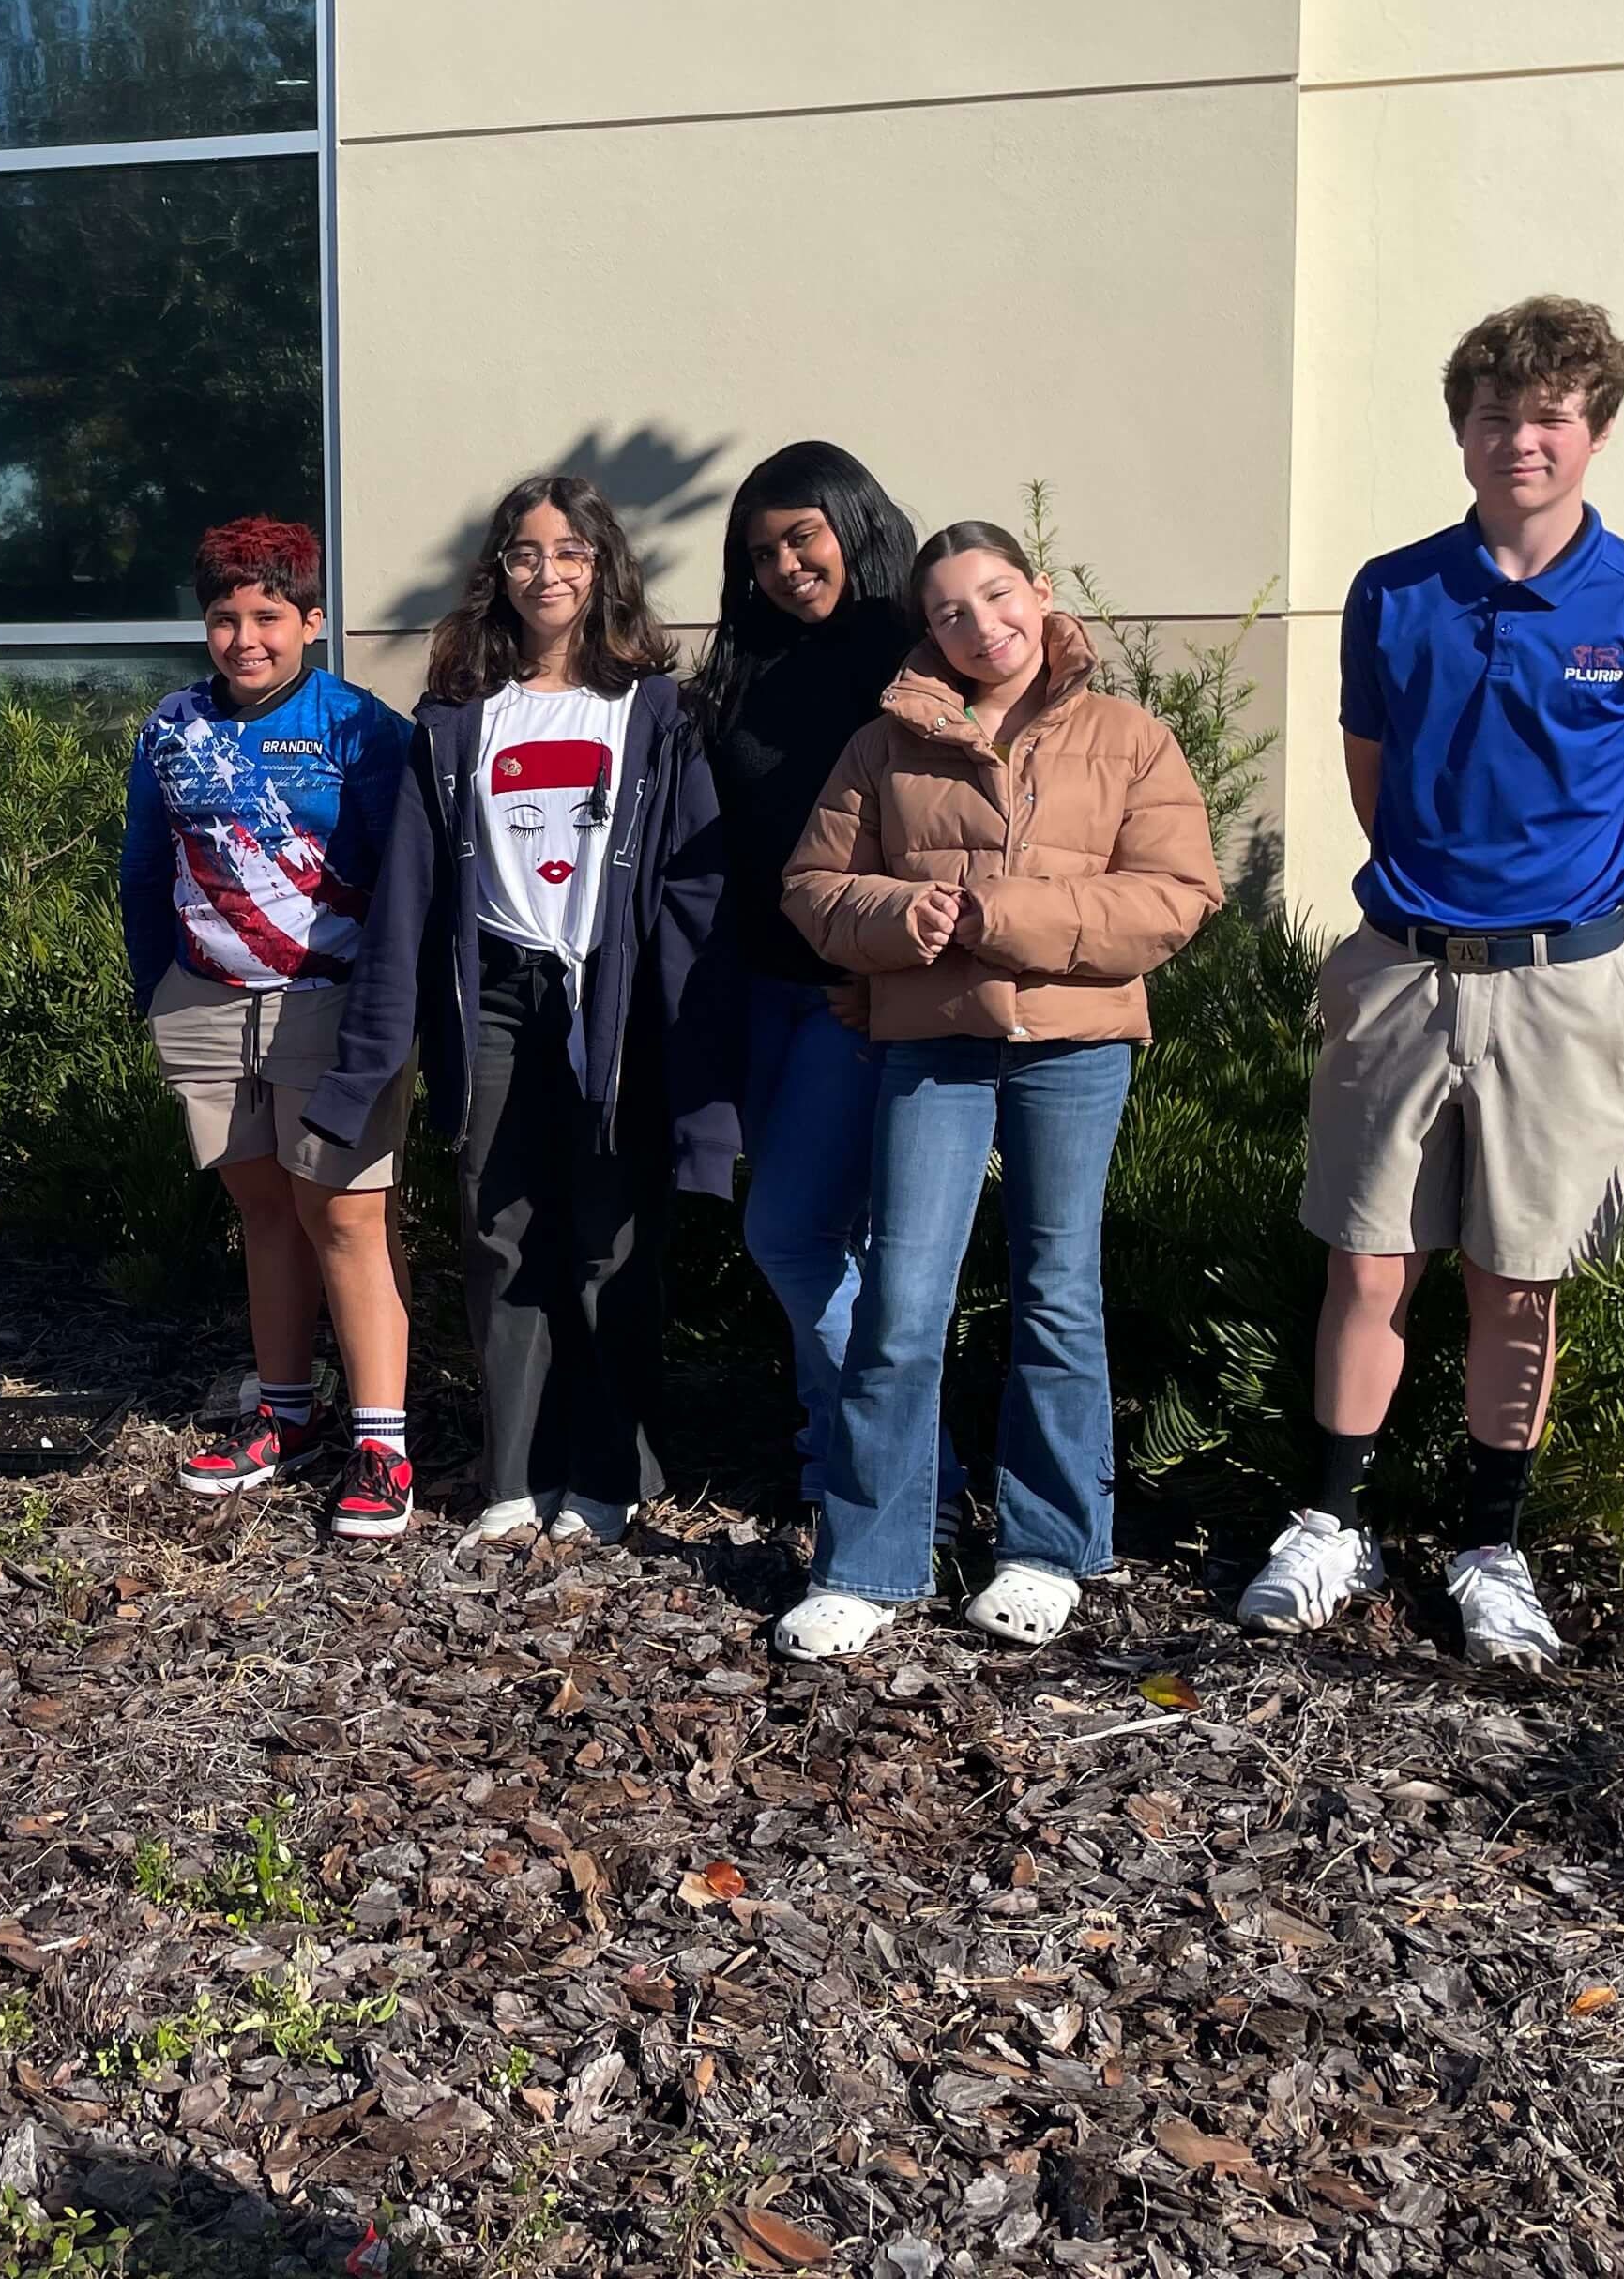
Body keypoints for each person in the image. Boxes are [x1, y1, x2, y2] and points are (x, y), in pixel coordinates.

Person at [1240, 296, 1624, 1672]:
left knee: (1520, 1278)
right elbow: (1374, 777)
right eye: (1496, 415)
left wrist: (1614, 944)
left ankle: (1490, 1548)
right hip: (1403, 971)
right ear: (1462, 431)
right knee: (1367, 1259)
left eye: (1550, 417)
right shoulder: (1394, 593)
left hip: (1565, 987)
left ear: (1596, 432)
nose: (1522, 440)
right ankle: (1331, 1525)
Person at [777, 523, 1222, 1659]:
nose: (982, 627)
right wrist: (898, 915)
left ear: (1041, 590)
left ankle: (1048, 1549)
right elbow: (813, 887)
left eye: (997, 596)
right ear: (929, 632)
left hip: (1075, 1048)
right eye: (950, 613)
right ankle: (868, 1563)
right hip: (932, 1048)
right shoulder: (882, 747)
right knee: (901, 1300)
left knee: (1058, 1291)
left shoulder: (1130, 739)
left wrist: (1000, 916)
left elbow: (1177, 896)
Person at [312, 473, 736, 1546]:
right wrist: (367, 1060)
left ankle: (608, 1474)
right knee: (500, 1232)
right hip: (496, 995)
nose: (548, 573)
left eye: (570, 553)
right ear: (498, 573)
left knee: (608, 1236)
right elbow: (409, 897)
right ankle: (515, 1476)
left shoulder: (657, 712)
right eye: (525, 554)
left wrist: (698, 1043)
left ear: (604, 567)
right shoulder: (458, 719)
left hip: (610, 1000)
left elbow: (696, 889)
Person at [121, 518, 421, 1538]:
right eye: (224, 617)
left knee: (345, 1214)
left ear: (312, 620)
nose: (244, 638)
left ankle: (383, 1443)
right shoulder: (171, 726)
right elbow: (141, 866)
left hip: (329, 1003)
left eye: (268, 616)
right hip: (204, 1002)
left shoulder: (361, 727)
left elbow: (405, 879)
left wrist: (389, 1009)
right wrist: (156, 988)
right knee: (264, 1212)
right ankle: (287, 1415)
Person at [691, 440, 923, 1510]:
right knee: (836, 1244)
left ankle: (894, 1470)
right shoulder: (747, 661)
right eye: (761, 553)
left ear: (853, 526)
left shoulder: (914, 660)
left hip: (857, 1000)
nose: (784, 568)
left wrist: (888, 977)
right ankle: (839, 1459)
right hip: (761, 994)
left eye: (801, 539)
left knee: (789, 1234)